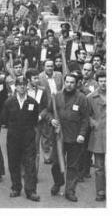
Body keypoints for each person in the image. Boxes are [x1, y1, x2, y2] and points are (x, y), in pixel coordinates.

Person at [46, 73, 90, 202]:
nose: (69, 85)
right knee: (55, 163)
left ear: (76, 84)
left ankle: (70, 190)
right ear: (64, 82)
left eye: (72, 82)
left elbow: (85, 119)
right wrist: (51, 120)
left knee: (73, 165)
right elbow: (48, 111)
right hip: (58, 136)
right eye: (67, 82)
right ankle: (58, 182)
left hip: (75, 138)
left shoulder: (81, 98)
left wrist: (82, 134)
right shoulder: (56, 96)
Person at [1, 76, 41, 201]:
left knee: (30, 164)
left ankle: (31, 191)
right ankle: (16, 188)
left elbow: (35, 120)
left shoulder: (33, 102)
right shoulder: (9, 102)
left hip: (28, 137)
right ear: (16, 87)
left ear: (27, 86)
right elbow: (5, 120)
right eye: (19, 84)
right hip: (13, 136)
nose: (22, 86)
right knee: (13, 163)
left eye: (24, 84)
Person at [87, 70, 106, 201]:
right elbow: (86, 115)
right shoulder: (91, 97)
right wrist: (93, 123)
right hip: (99, 136)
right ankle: (100, 191)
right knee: (99, 166)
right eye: (101, 81)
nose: (104, 83)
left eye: (106, 81)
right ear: (97, 82)